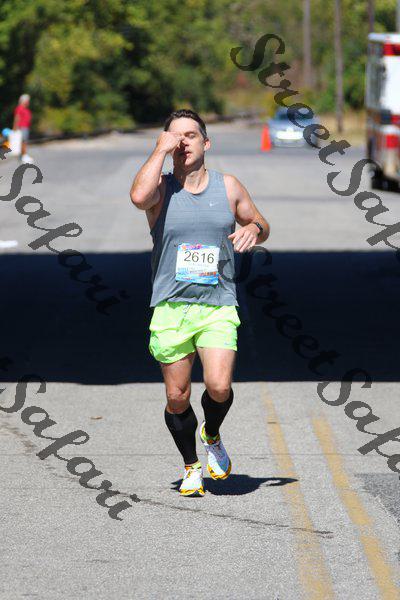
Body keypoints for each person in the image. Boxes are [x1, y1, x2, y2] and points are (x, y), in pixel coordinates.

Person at [130, 109, 270, 497]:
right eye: (174, 137)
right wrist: (159, 150)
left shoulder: (229, 187)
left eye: (190, 135)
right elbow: (138, 198)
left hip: (217, 303)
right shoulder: (160, 189)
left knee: (219, 386)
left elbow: (262, 224)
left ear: (206, 143)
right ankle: (191, 465)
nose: (182, 143)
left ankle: (212, 433)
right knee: (177, 397)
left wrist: (253, 228)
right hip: (172, 305)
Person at [13, 94, 34, 164]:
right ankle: (24, 156)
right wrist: (15, 128)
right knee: (23, 142)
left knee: (24, 142)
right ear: (23, 101)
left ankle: (24, 155)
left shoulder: (25, 109)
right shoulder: (20, 108)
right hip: (22, 127)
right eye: (27, 101)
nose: (28, 102)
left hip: (26, 127)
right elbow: (17, 118)